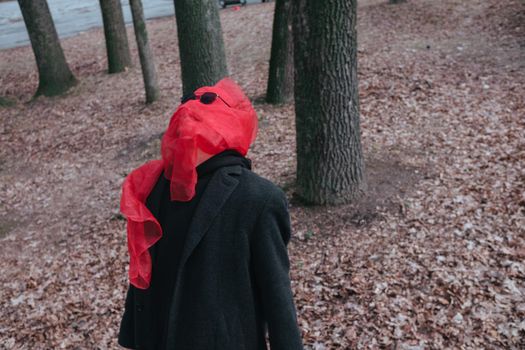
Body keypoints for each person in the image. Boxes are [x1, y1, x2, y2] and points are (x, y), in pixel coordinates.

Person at [117, 78, 304, 350]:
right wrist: (135, 336)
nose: (185, 140)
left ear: (223, 133)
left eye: (195, 133)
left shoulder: (258, 199)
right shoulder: (155, 186)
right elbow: (144, 271)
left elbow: (276, 294)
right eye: (181, 132)